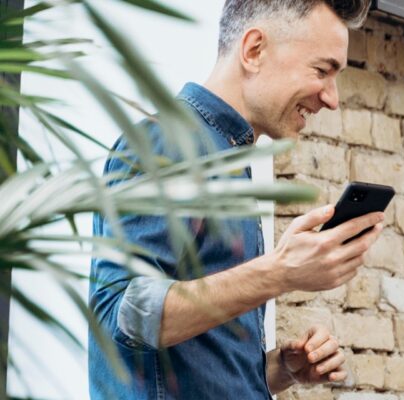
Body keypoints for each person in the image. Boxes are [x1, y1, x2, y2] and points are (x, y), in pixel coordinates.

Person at [88, 1, 380, 399]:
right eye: (322, 70)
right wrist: (279, 271)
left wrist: (281, 370)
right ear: (254, 50)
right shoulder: (169, 144)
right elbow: (123, 315)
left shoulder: (227, 157)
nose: (332, 98)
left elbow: (199, 365)